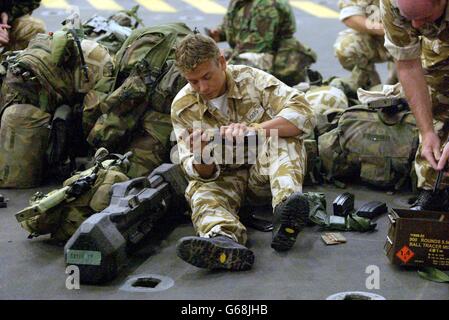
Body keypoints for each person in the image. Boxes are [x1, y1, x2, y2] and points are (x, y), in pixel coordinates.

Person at [171, 34, 315, 271]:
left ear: (222, 62)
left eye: (207, 77)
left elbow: (305, 115)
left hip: (264, 177)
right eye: (193, 81)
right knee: (199, 191)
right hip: (223, 179)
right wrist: (201, 156)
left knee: (284, 141)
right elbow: (199, 173)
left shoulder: (251, 80)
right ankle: (223, 241)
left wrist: (255, 129)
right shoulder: (183, 106)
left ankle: (286, 212)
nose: (203, 88)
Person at [381, 0, 449, 210]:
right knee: (436, 93)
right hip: (440, 42)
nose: (417, 25)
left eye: (424, 18)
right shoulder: (391, 4)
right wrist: (427, 131)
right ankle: (434, 189)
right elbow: (408, 65)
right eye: (410, 18)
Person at [206, 0, 316, 86]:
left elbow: (257, 44)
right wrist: (218, 33)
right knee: (209, 61)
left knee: (227, 68)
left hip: (273, 54)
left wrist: (228, 62)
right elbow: (229, 26)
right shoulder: (239, 2)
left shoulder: (267, 4)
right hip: (246, 49)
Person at [334, 0, 397, 91]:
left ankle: (400, 79)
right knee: (346, 47)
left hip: (414, 38)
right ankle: (371, 88)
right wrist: (389, 31)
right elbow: (351, 18)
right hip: (378, 39)